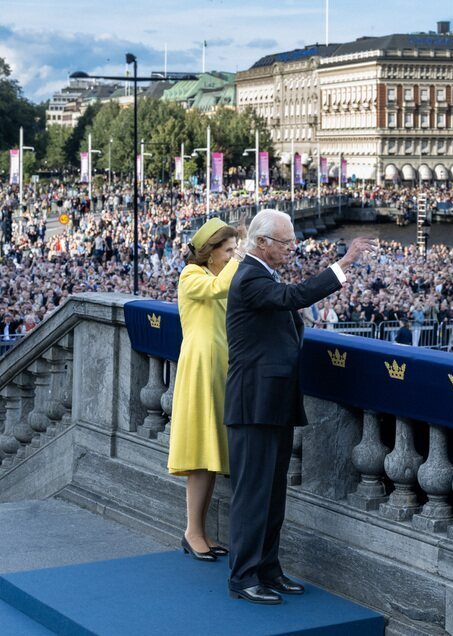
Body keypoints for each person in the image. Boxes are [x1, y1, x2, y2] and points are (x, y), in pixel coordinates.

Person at [224, 209, 375, 605]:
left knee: (273, 494)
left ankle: (268, 569)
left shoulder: (264, 273)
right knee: (253, 494)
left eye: (292, 241)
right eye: (286, 242)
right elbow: (294, 297)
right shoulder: (251, 277)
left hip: (272, 398)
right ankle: (243, 576)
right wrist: (342, 266)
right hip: (254, 401)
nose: (291, 249)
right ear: (261, 243)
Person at [167, 218, 240, 562]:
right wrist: (244, 259)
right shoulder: (191, 276)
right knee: (200, 452)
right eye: (228, 250)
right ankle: (192, 531)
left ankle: (201, 531)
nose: (232, 256)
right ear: (210, 253)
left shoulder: (215, 275)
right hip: (199, 368)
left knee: (211, 455)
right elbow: (217, 291)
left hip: (218, 368)